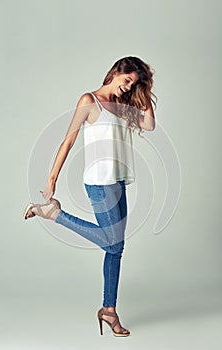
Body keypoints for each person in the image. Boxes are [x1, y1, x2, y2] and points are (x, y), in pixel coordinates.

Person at [24, 56, 157, 337]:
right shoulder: (90, 100)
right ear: (115, 72)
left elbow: (149, 125)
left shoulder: (123, 107)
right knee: (112, 241)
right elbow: (68, 139)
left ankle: (109, 310)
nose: (128, 86)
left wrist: (143, 91)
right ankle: (53, 214)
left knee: (116, 248)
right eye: (127, 80)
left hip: (119, 181)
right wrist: (52, 178)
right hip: (99, 183)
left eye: (133, 83)